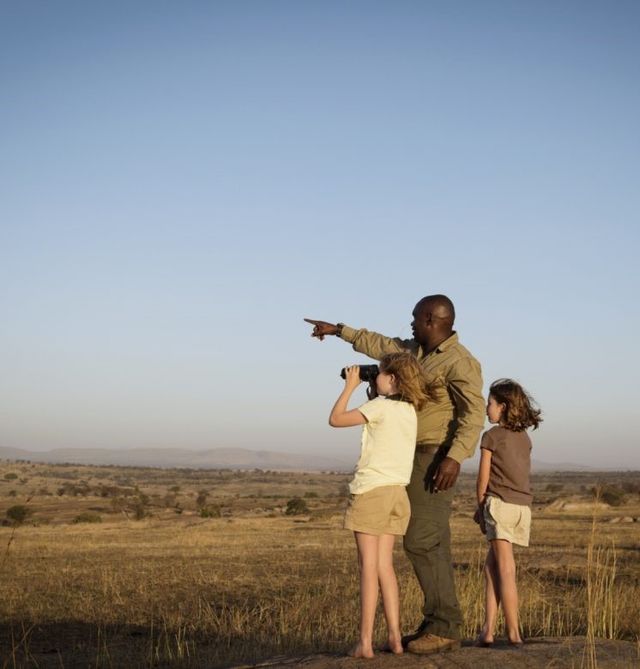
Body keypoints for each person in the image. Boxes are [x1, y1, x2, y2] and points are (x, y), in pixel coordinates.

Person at [305, 294, 485, 654]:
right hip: (411, 459)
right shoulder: (413, 352)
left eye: (416, 318)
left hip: (436, 458)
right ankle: (437, 622)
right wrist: (339, 330)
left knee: (422, 540)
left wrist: (455, 457)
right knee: (429, 541)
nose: (411, 324)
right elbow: (380, 343)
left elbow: (473, 413)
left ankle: (445, 627)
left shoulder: (460, 362)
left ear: (433, 320)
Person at [329, 352, 429, 658]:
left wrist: (351, 385)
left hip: (372, 492)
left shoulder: (379, 407)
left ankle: (365, 643)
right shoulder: (409, 410)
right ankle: (395, 638)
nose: (377, 378)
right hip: (398, 495)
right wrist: (374, 385)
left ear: (393, 379)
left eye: (381, 374)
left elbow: (335, 419)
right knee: (386, 566)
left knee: (368, 568)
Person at [473, 379, 542, 648]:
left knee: (505, 568)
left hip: (499, 505)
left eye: (489, 403)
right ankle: (487, 631)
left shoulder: (491, 436)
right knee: (491, 566)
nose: (486, 408)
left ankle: (513, 633)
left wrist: (481, 509)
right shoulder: (525, 438)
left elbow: (482, 480)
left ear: (502, 407)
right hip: (522, 508)